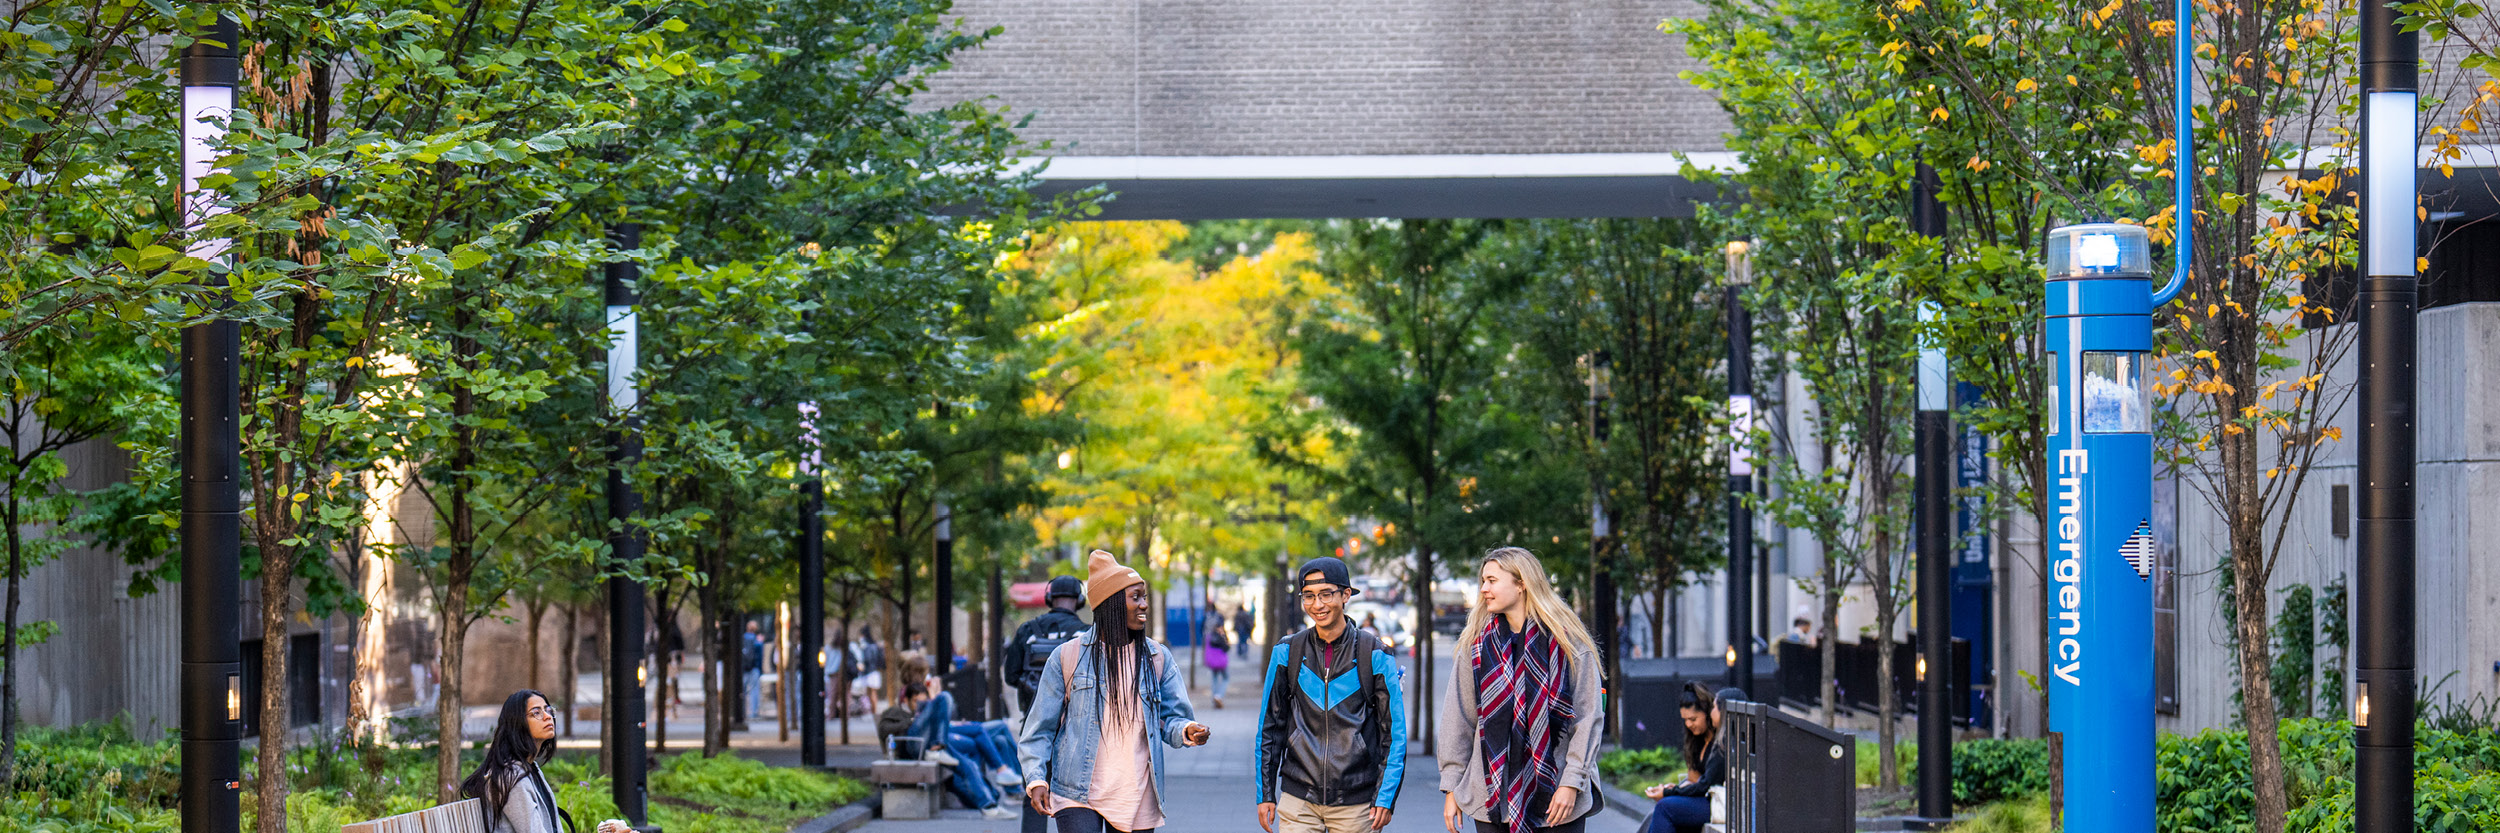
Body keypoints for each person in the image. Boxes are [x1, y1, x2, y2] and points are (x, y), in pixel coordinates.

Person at [1018, 550, 1213, 833]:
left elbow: (1172, 719)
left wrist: (1188, 730)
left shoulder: (1157, 657)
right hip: (1076, 793)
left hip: (1137, 793)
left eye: (1144, 597)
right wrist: (1036, 779)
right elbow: (1039, 728)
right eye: (1136, 597)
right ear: (1110, 603)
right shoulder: (1068, 657)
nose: (1144, 605)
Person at [1436, 547, 1603, 833]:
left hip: (1555, 794)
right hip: (1490, 797)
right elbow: (1458, 719)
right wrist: (1452, 787)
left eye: (1492, 580)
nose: (1484, 589)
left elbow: (1587, 719)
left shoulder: (1569, 644)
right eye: (1483, 581)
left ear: (1521, 583)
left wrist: (1571, 782)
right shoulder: (1476, 647)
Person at [1254, 556, 1407, 833]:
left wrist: (1385, 797)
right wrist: (1265, 793)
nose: (1318, 604)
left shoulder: (1374, 654)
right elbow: (1269, 728)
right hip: (1299, 800)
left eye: (1326, 594)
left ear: (1346, 595)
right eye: (1309, 596)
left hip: (1357, 803)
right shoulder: (1287, 652)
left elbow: (1393, 733)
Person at [459, 689, 633, 833]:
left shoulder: (529, 768)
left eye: (548, 710)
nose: (547, 716)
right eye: (536, 713)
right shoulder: (510, 777)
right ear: (517, 723)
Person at [898, 652, 1021, 820]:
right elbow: (920, 716)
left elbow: (943, 715)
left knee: (969, 762)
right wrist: (934, 695)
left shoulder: (923, 689)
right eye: (925, 671)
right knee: (947, 700)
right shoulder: (909, 691)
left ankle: (989, 806)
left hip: (939, 738)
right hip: (920, 741)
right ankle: (1005, 773)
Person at [1639, 684, 1725, 833]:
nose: (1688, 724)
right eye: (1685, 719)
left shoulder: (1720, 743)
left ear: (1707, 713)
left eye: (1693, 719)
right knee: (1660, 811)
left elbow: (1703, 786)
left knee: (1664, 808)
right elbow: (1693, 780)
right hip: (1700, 798)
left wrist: (1669, 793)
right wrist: (1674, 789)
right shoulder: (1696, 740)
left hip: (1715, 802)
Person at [1006, 576, 1090, 711]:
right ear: (1080, 600)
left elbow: (1011, 676)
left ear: (1049, 598)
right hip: (1073, 718)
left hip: (1033, 716)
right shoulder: (1086, 633)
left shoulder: (1027, 630)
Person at [1204, 618, 1231, 709]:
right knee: (1226, 678)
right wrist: (1224, 637)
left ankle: (1215, 697)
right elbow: (1226, 648)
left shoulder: (1210, 636)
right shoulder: (1221, 637)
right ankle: (1219, 696)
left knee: (1214, 679)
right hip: (1221, 662)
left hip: (1213, 662)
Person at [743, 620, 766, 722]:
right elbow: (760, 656)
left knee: (743, 691)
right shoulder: (757, 641)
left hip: (744, 669)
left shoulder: (743, 638)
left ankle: (742, 712)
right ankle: (754, 712)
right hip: (754, 668)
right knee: (754, 691)